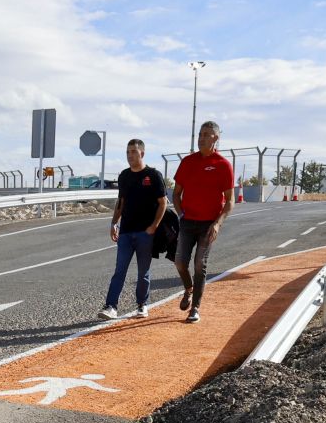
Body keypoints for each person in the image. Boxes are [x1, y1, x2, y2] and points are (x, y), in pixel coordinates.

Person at [171, 120, 236, 323]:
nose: (201, 138)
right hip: (187, 222)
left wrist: (217, 224)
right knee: (180, 262)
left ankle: (195, 308)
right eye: (200, 134)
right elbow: (176, 194)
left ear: (216, 138)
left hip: (208, 224)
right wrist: (181, 214)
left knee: (200, 264)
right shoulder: (187, 162)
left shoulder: (223, 165)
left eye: (206, 134)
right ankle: (188, 289)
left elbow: (230, 200)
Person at [100, 140, 167, 319]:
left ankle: (142, 305)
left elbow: (163, 203)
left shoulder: (153, 175)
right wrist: (114, 223)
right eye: (128, 152)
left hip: (146, 233)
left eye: (133, 152)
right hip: (126, 232)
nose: (130, 155)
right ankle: (111, 306)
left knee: (143, 272)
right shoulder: (124, 176)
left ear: (142, 154)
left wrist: (154, 226)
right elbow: (121, 202)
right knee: (119, 270)